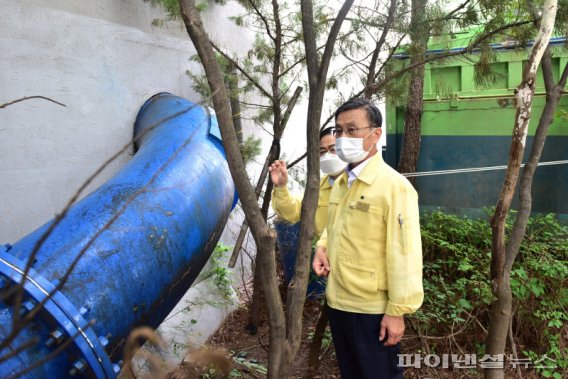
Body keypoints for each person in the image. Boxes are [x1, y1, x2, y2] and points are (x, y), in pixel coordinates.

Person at [313, 98, 423, 379]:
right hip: (339, 302)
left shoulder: (394, 187)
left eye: (352, 130)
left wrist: (397, 311)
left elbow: (405, 254)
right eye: (339, 131)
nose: (342, 138)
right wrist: (322, 246)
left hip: (372, 311)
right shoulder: (340, 182)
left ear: (376, 134)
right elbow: (333, 225)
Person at [269, 127, 346, 238]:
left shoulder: (359, 181)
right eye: (322, 151)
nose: (327, 155)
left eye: (333, 149)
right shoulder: (317, 187)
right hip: (324, 253)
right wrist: (280, 187)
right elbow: (292, 212)